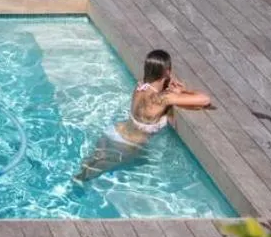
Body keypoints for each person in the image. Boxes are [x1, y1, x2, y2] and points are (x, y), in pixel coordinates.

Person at [74, 49, 212, 182]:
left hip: (114, 131)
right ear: (167, 72)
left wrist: (170, 86)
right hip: (127, 145)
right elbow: (205, 99)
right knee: (89, 175)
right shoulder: (163, 99)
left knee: (89, 165)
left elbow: (156, 91)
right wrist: (183, 91)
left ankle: (75, 180)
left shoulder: (140, 86)